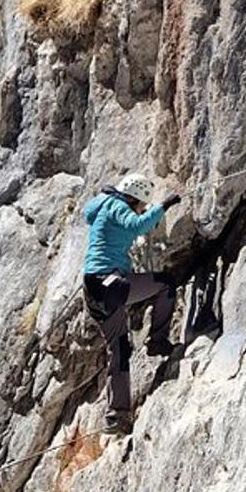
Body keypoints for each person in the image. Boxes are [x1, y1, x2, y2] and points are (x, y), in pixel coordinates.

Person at [82, 173, 182, 434]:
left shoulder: (102, 204)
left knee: (119, 348)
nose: (141, 209)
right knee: (166, 284)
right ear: (135, 198)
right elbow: (137, 226)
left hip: (93, 289)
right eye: (141, 204)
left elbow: (95, 220)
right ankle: (157, 341)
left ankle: (117, 415)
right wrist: (164, 206)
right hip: (110, 284)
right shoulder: (118, 206)